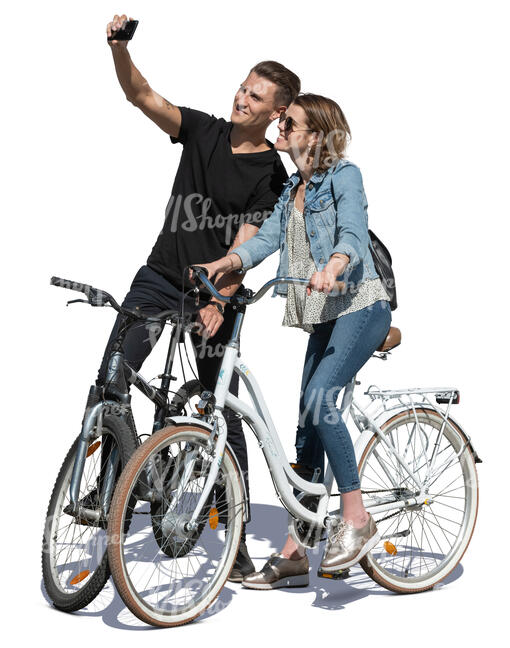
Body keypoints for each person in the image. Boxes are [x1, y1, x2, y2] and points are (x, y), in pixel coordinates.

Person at [98, 14, 301, 581]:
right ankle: (110, 482)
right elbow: (141, 94)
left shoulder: (273, 176)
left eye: (255, 95)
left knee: (222, 412)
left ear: (275, 112)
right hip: (161, 276)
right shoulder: (204, 131)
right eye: (242, 86)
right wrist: (118, 48)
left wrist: (219, 299)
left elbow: (247, 244)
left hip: (216, 293)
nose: (241, 97)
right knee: (112, 378)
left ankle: (231, 540)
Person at [191, 93, 392, 589]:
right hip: (325, 315)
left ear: (314, 136)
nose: (279, 126)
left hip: (360, 306)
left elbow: (353, 232)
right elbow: (265, 240)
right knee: (307, 426)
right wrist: (224, 264)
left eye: (290, 122)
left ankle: (356, 516)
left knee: (322, 400)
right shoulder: (293, 190)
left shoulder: (344, 176)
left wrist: (333, 267)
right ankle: (296, 553)